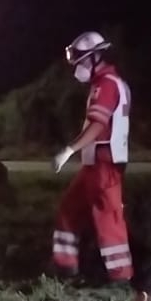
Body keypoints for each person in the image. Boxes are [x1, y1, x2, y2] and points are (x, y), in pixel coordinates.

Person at [51, 31, 134, 284]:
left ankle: (120, 278)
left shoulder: (107, 84)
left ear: (96, 57)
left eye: (82, 62)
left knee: (108, 219)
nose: (79, 68)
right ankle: (65, 267)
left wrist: (68, 150)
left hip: (105, 164)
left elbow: (98, 126)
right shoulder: (105, 83)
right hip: (95, 164)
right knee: (69, 209)